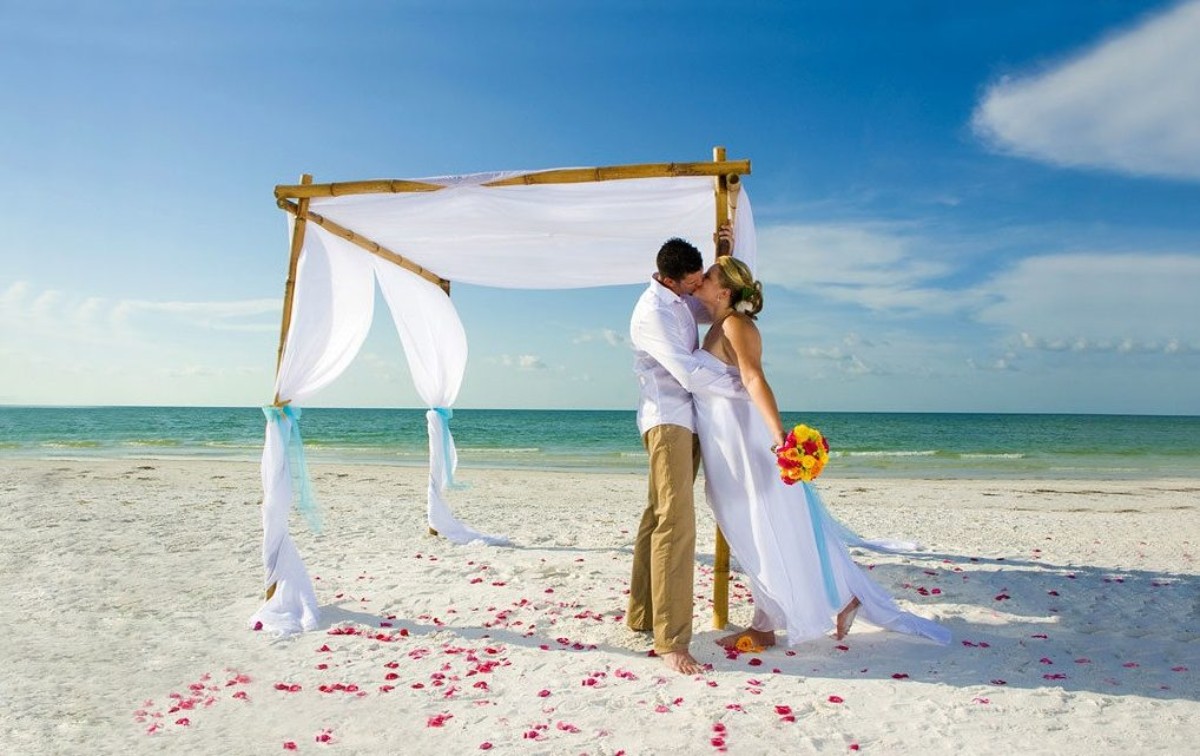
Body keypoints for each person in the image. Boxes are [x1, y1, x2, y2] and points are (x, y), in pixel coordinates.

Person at [690, 254, 950, 648]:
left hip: (746, 444)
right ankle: (837, 599)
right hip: (724, 444)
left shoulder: (735, 325)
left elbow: (754, 378)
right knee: (755, 526)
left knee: (764, 527)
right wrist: (724, 242)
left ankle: (767, 623)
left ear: (724, 291)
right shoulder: (716, 324)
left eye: (707, 276)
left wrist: (780, 436)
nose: (700, 280)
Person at [627, 238, 746, 674]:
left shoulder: (679, 296)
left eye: (700, 281)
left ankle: (641, 614)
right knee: (677, 523)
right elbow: (690, 374)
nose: (697, 289)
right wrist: (745, 386)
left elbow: (715, 304)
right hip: (668, 420)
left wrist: (726, 258)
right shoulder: (654, 313)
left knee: (658, 515)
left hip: (688, 420)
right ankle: (671, 639)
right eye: (691, 284)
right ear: (669, 279)